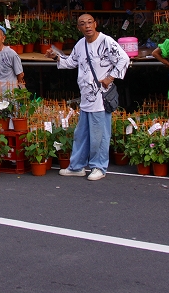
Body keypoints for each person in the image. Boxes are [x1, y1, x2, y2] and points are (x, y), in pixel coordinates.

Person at [44, 14, 129, 181]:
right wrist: (55, 57)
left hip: (101, 98)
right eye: (83, 24)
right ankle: (77, 167)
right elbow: (70, 62)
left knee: (100, 135)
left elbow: (124, 59)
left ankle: (99, 167)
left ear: (95, 24)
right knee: (81, 134)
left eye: (90, 22)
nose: (87, 26)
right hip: (86, 98)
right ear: (79, 28)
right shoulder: (80, 44)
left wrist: (109, 78)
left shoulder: (106, 41)